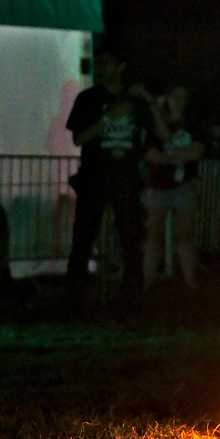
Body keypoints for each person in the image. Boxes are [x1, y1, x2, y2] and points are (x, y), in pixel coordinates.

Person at [64, 52, 151, 305]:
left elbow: (154, 132)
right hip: (95, 177)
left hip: (126, 178)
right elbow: (79, 138)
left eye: (108, 62)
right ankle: (74, 297)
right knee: (83, 238)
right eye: (100, 63)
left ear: (121, 65)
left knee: (131, 239)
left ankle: (133, 297)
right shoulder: (88, 99)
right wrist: (108, 118)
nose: (102, 67)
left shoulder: (134, 102)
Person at [142, 86, 204, 289]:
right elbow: (150, 154)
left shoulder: (193, 124)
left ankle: (190, 281)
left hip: (183, 184)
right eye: (174, 95)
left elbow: (197, 151)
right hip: (160, 184)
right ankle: (148, 280)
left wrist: (168, 157)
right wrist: (178, 158)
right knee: (154, 234)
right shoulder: (157, 124)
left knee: (185, 235)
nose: (177, 100)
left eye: (182, 95)